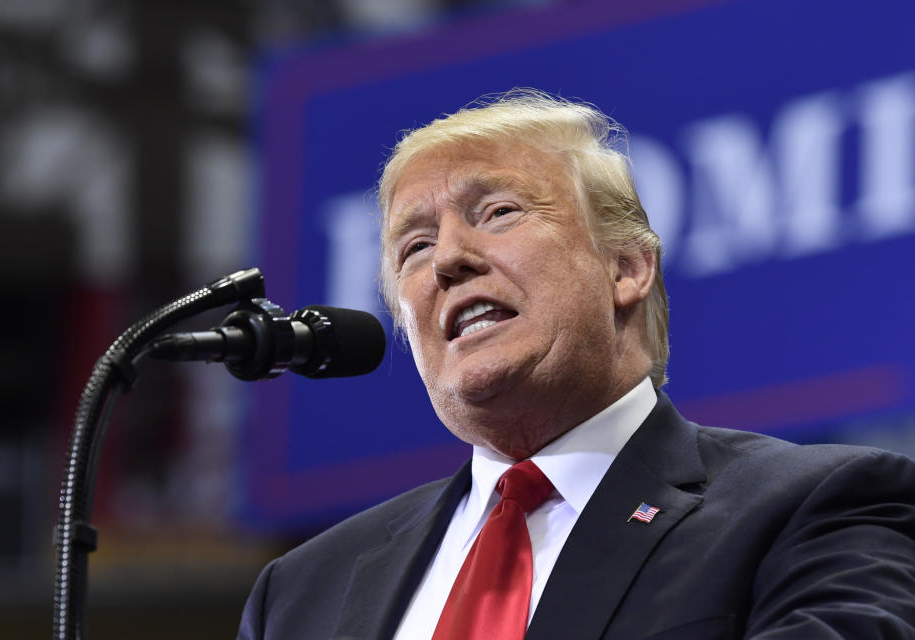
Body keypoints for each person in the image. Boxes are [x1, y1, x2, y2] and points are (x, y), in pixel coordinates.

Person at [238, 90, 915, 639]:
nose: (448, 259)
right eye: (413, 247)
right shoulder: (299, 596)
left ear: (626, 267)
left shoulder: (816, 507)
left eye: (498, 211)